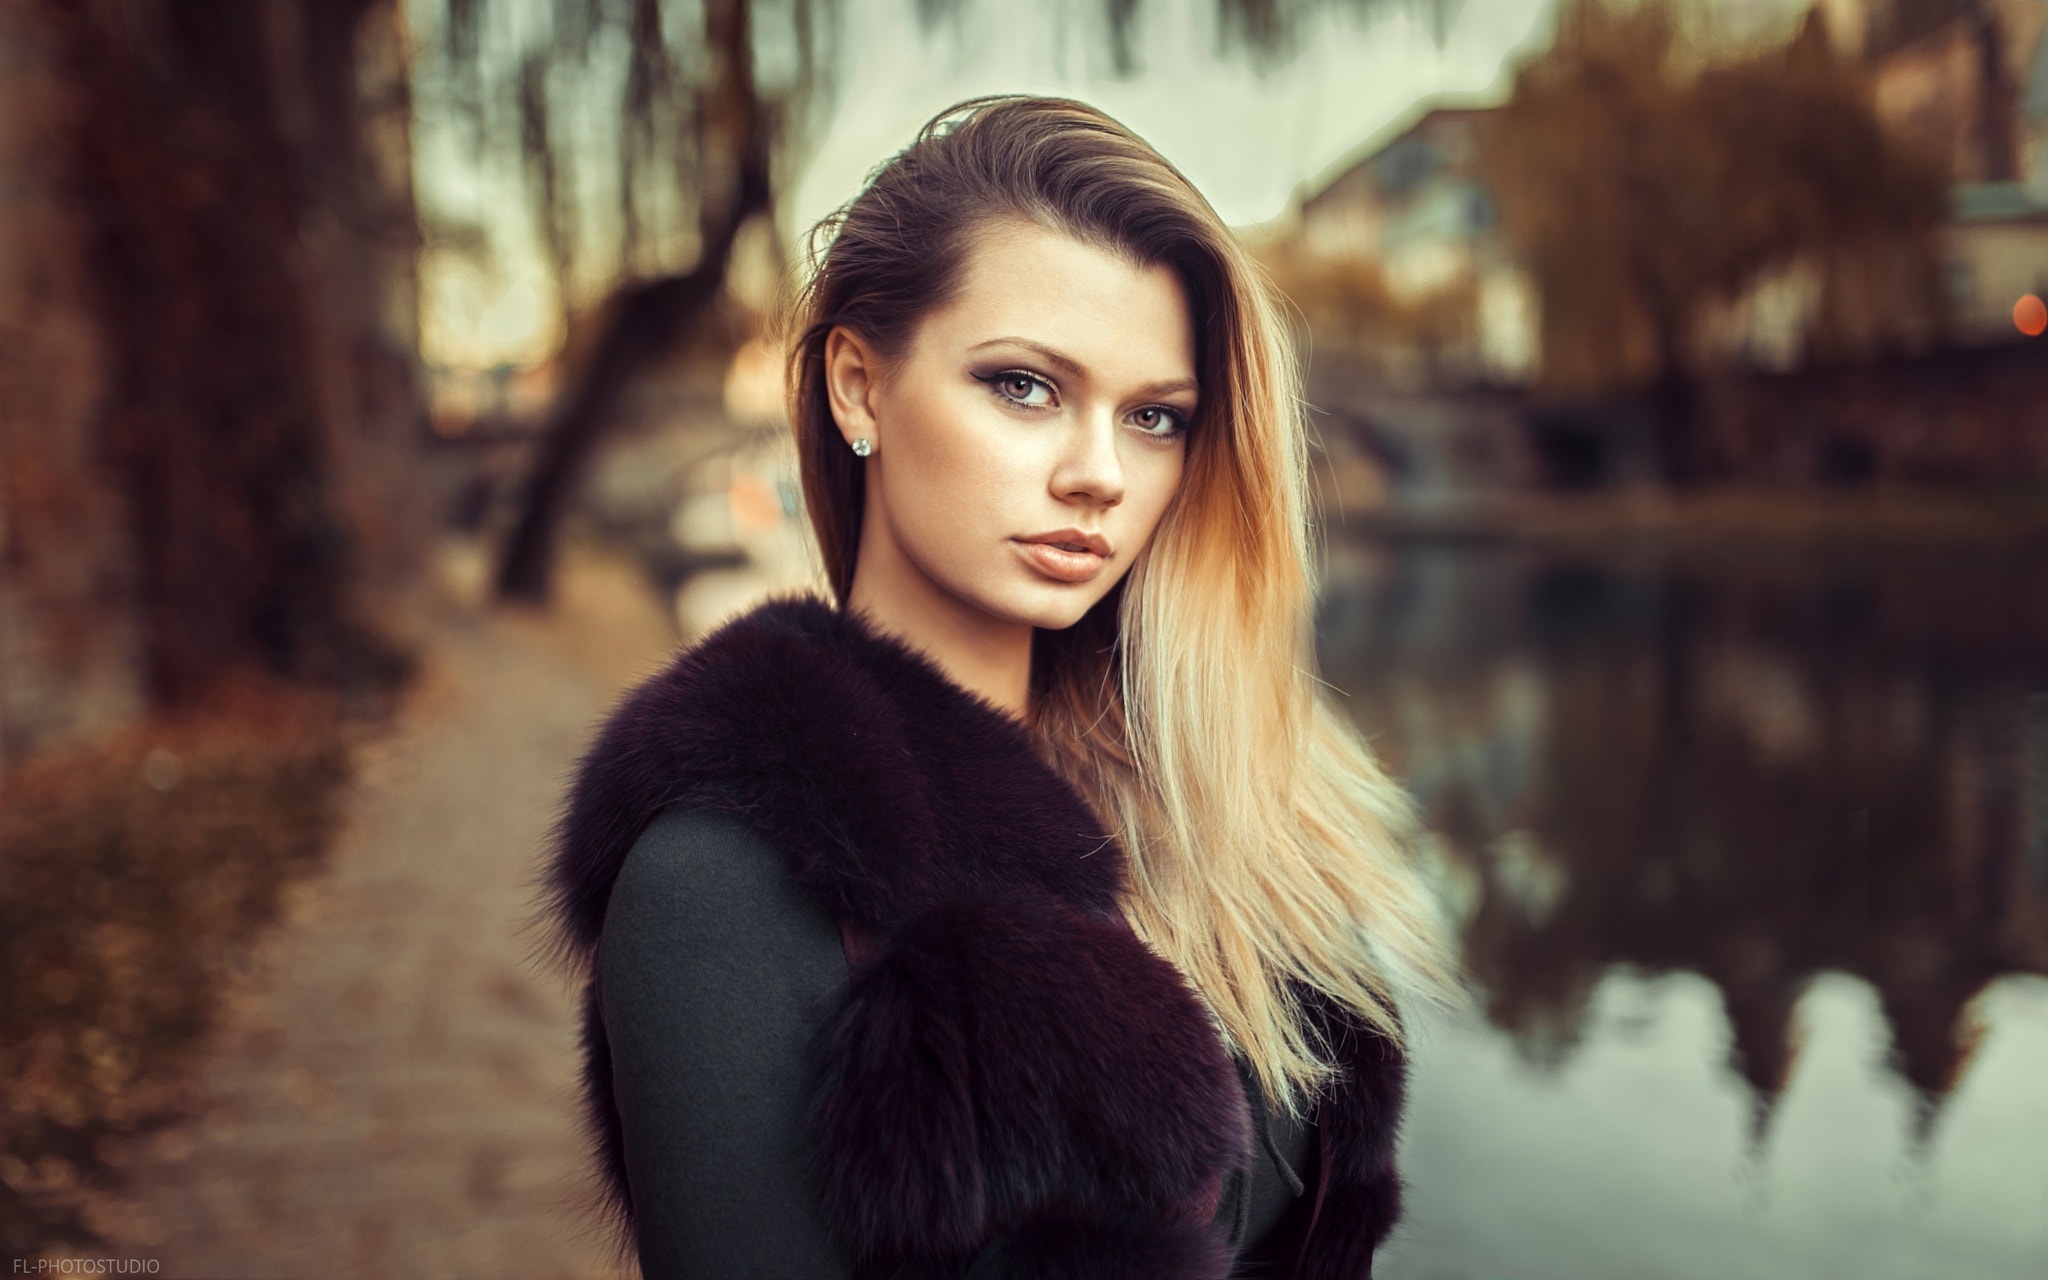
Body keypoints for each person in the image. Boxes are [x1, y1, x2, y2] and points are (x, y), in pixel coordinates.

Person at [535, 94, 1459, 1279]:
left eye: (1154, 417)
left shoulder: (1239, 824)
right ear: (856, 387)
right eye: (1023, 387)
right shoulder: (722, 885)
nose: (1097, 474)